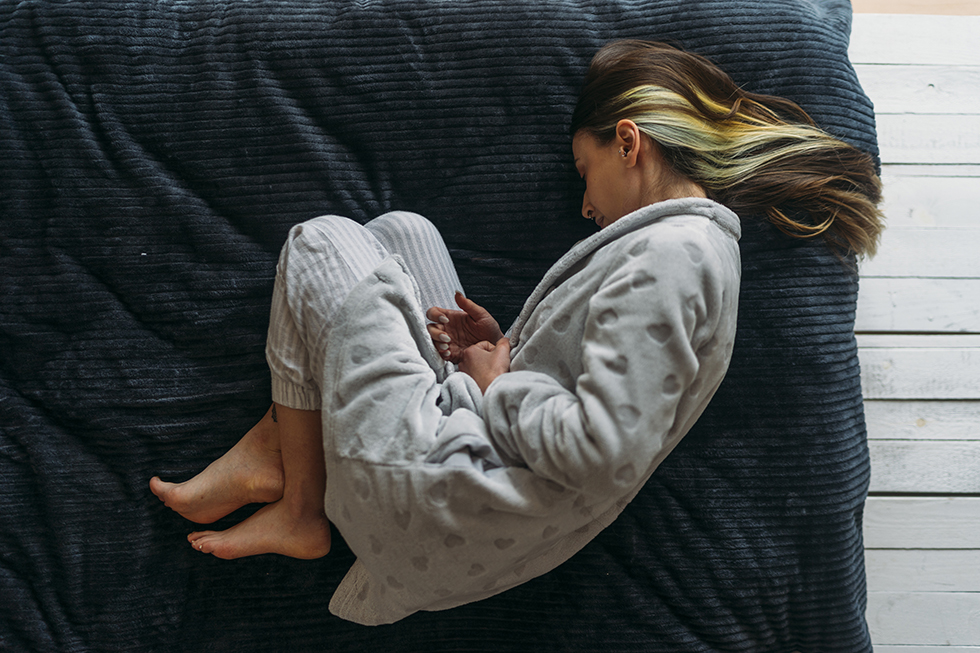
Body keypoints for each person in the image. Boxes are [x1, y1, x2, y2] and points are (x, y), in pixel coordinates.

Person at [149, 40, 883, 625]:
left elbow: (600, 449)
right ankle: (286, 445)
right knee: (403, 236)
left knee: (319, 245)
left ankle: (302, 500)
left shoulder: (675, 258)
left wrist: (497, 380)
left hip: (438, 499)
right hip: (471, 483)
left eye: (584, 171)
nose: (587, 206)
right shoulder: (684, 254)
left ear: (630, 143)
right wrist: (502, 344)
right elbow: (599, 389)